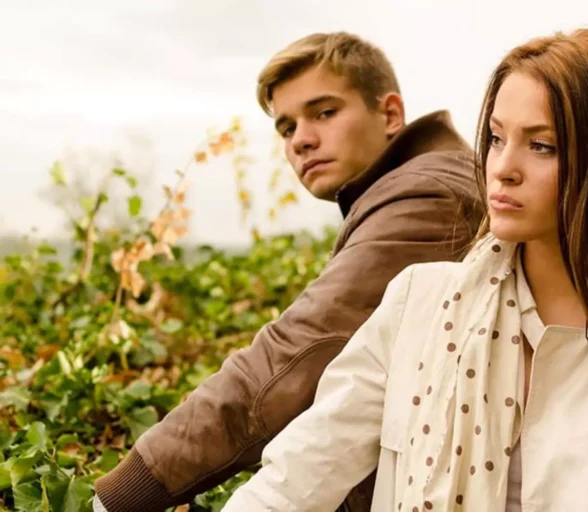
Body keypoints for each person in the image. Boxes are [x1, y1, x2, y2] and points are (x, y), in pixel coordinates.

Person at [221, 28, 588, 511]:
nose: (502, 168)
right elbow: (296, 478)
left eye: (542, 145)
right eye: (497, 138)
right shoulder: (419, 305)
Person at [93, 32, 483, 512]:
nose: (301, 139)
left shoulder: (428, 198)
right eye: (286, 127)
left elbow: (295, 356)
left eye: (324, 112)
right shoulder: (419, 183)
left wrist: (124, 494)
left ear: (390, 114)